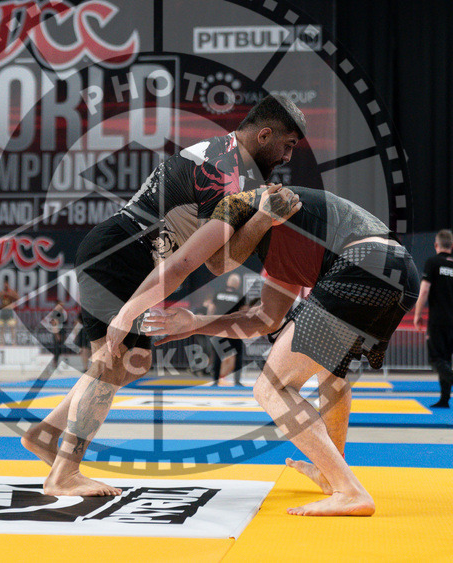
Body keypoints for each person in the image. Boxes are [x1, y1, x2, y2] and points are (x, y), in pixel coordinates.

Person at [20, 94, 306, 497]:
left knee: (132, 364)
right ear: (264, 134)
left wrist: (260, 217)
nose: (288, 156)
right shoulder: (222, 168)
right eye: (288, 144)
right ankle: (63, 473)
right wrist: (261, 219)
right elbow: (203, 263)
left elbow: (222, 258)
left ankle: (46, 435)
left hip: (130, 258)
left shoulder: (237, 170)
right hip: (118, 255)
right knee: (111, 361)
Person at [112, 184, 419, 516]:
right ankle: (334, 475)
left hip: (363, 264)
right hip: (399, 271)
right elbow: (265, 319)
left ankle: (348, 490)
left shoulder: (258, 206)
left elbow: (205, 263)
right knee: (331, 373)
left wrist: (125, 315)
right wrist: (195, 322)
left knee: (271, 387)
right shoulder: (282, 241)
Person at [412, 229, 453, 409]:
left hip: (438, 320)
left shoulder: (433, 263)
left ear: (436, 245)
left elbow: (424, 290)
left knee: (435, 360)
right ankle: (445, 399)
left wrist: (417, 314)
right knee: (446, 360)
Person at [203, 272, 247, 386]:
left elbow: (211, 309)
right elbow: (244, 313)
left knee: (217, 355)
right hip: (234, 329)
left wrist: (208, 325)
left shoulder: (218, 293)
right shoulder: (240, 295)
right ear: (237, 284)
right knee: (238, 354)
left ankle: (215, 380)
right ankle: (237, 381)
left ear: (228, 282)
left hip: (220, 328)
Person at [0, 279, 20, 344]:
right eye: (4, 285)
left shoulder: (12, 292)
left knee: (12, 327)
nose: (5, 286)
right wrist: (0, 295)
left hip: (10, 310)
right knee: (2, 327)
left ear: (8, 285)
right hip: (3, 310)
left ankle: (13, 342)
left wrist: (10, 295)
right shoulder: (1, 292)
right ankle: (2, 342)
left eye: (6, 285)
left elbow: (18, 299)